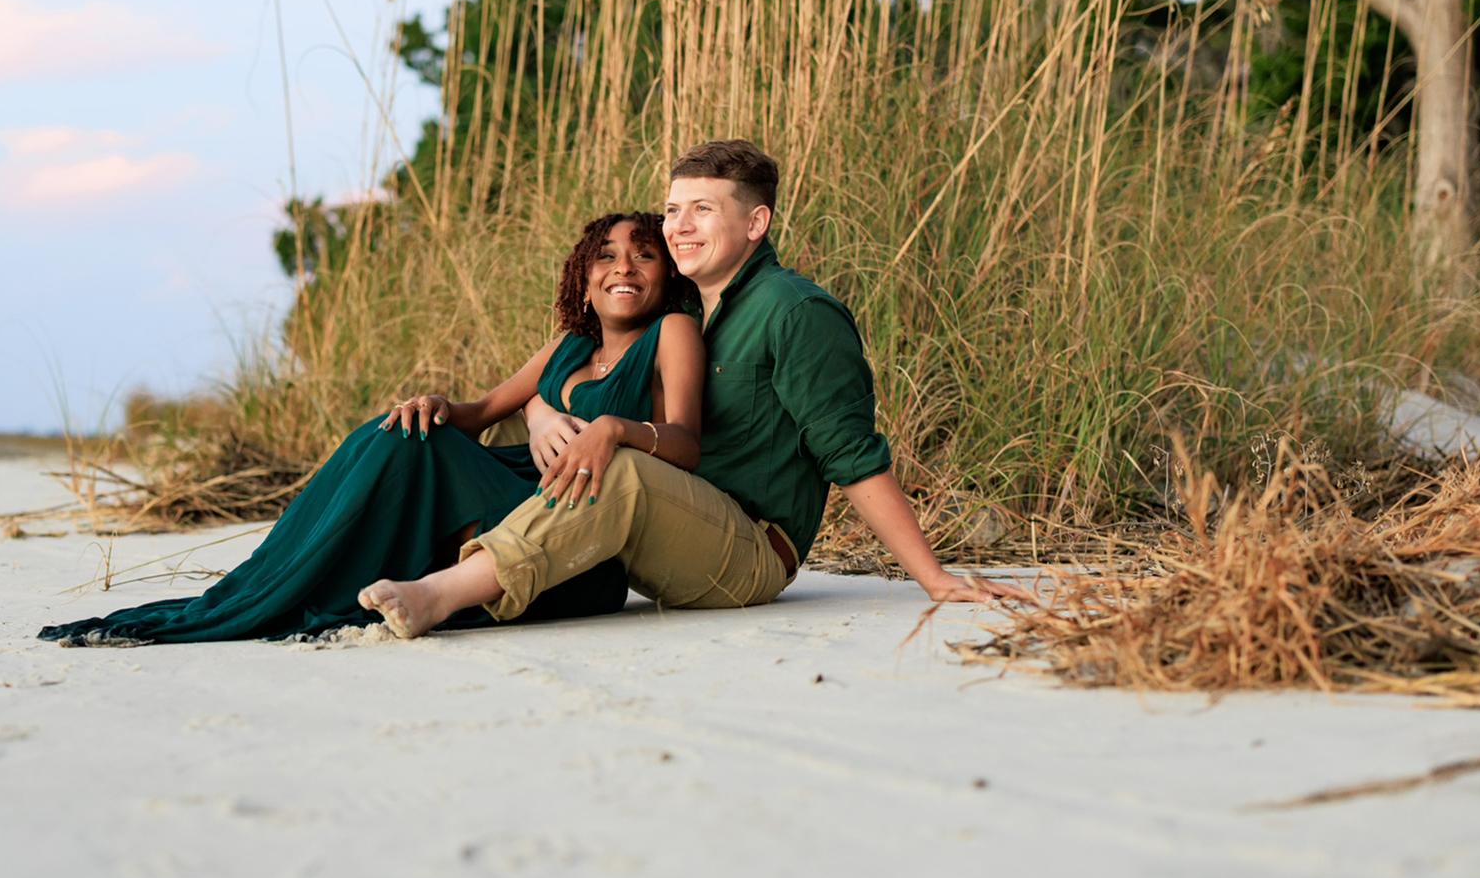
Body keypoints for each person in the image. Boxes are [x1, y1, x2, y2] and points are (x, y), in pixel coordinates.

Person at [356, 139, 1031, 639]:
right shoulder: (677, 313)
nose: (677, 226)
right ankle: (398, 559)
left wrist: (934, 578)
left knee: (618, 463)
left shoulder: (794, 311)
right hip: (658, 532)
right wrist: (536, 414)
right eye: (674, 209)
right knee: (514, 435)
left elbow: (851, 455)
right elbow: (575, 381)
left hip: (746, 552)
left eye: (701, 211)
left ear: (755, 224)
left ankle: (440, 595)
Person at [37, 212, 706, 646]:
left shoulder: (671, 333)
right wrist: (435, 404)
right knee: (399, 433)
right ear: (583, 279)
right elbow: (475, 415)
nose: (624, 267)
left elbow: (685, 442)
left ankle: (343, 583)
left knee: (411, 448)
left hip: (570, 537)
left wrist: (614, 427)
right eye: (607, 256)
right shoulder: (564, 347)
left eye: (645, 255)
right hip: (515, 495)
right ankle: (280, 578)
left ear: (664, 274)